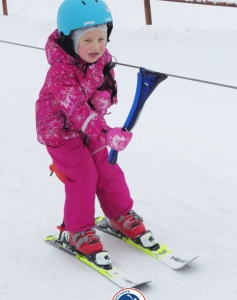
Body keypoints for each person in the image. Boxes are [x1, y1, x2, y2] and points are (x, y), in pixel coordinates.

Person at [35, 0, 151, 257]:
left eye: (102, 38)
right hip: (59, 130)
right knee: (84, 174)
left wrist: (105, 98)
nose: (96, 47)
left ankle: (119, 215)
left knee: (107, 167)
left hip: (90, 125)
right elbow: (76, 110)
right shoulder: (60, 71)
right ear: (69, 39)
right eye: (87, 40)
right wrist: (106, 133)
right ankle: (78, 230)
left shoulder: (103, 58)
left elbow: (109, 84)